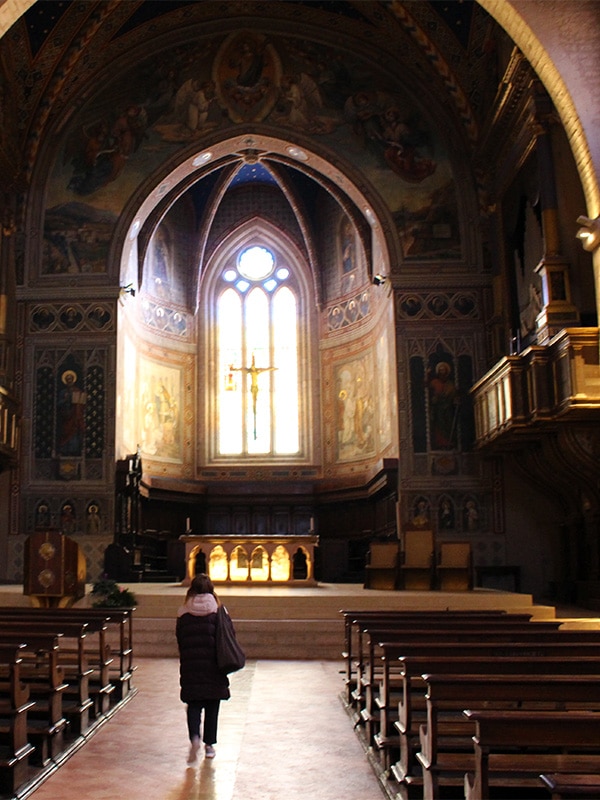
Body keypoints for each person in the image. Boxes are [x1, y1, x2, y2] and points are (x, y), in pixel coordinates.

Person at [176, 574, 230, 765]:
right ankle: (209, 746)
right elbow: (227, 637)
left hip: (191, 664)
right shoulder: (219, 611)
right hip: (214, 666)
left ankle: (195, 739)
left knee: (194, 704)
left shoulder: (183, 612)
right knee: (212, 706)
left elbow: (180, 639)